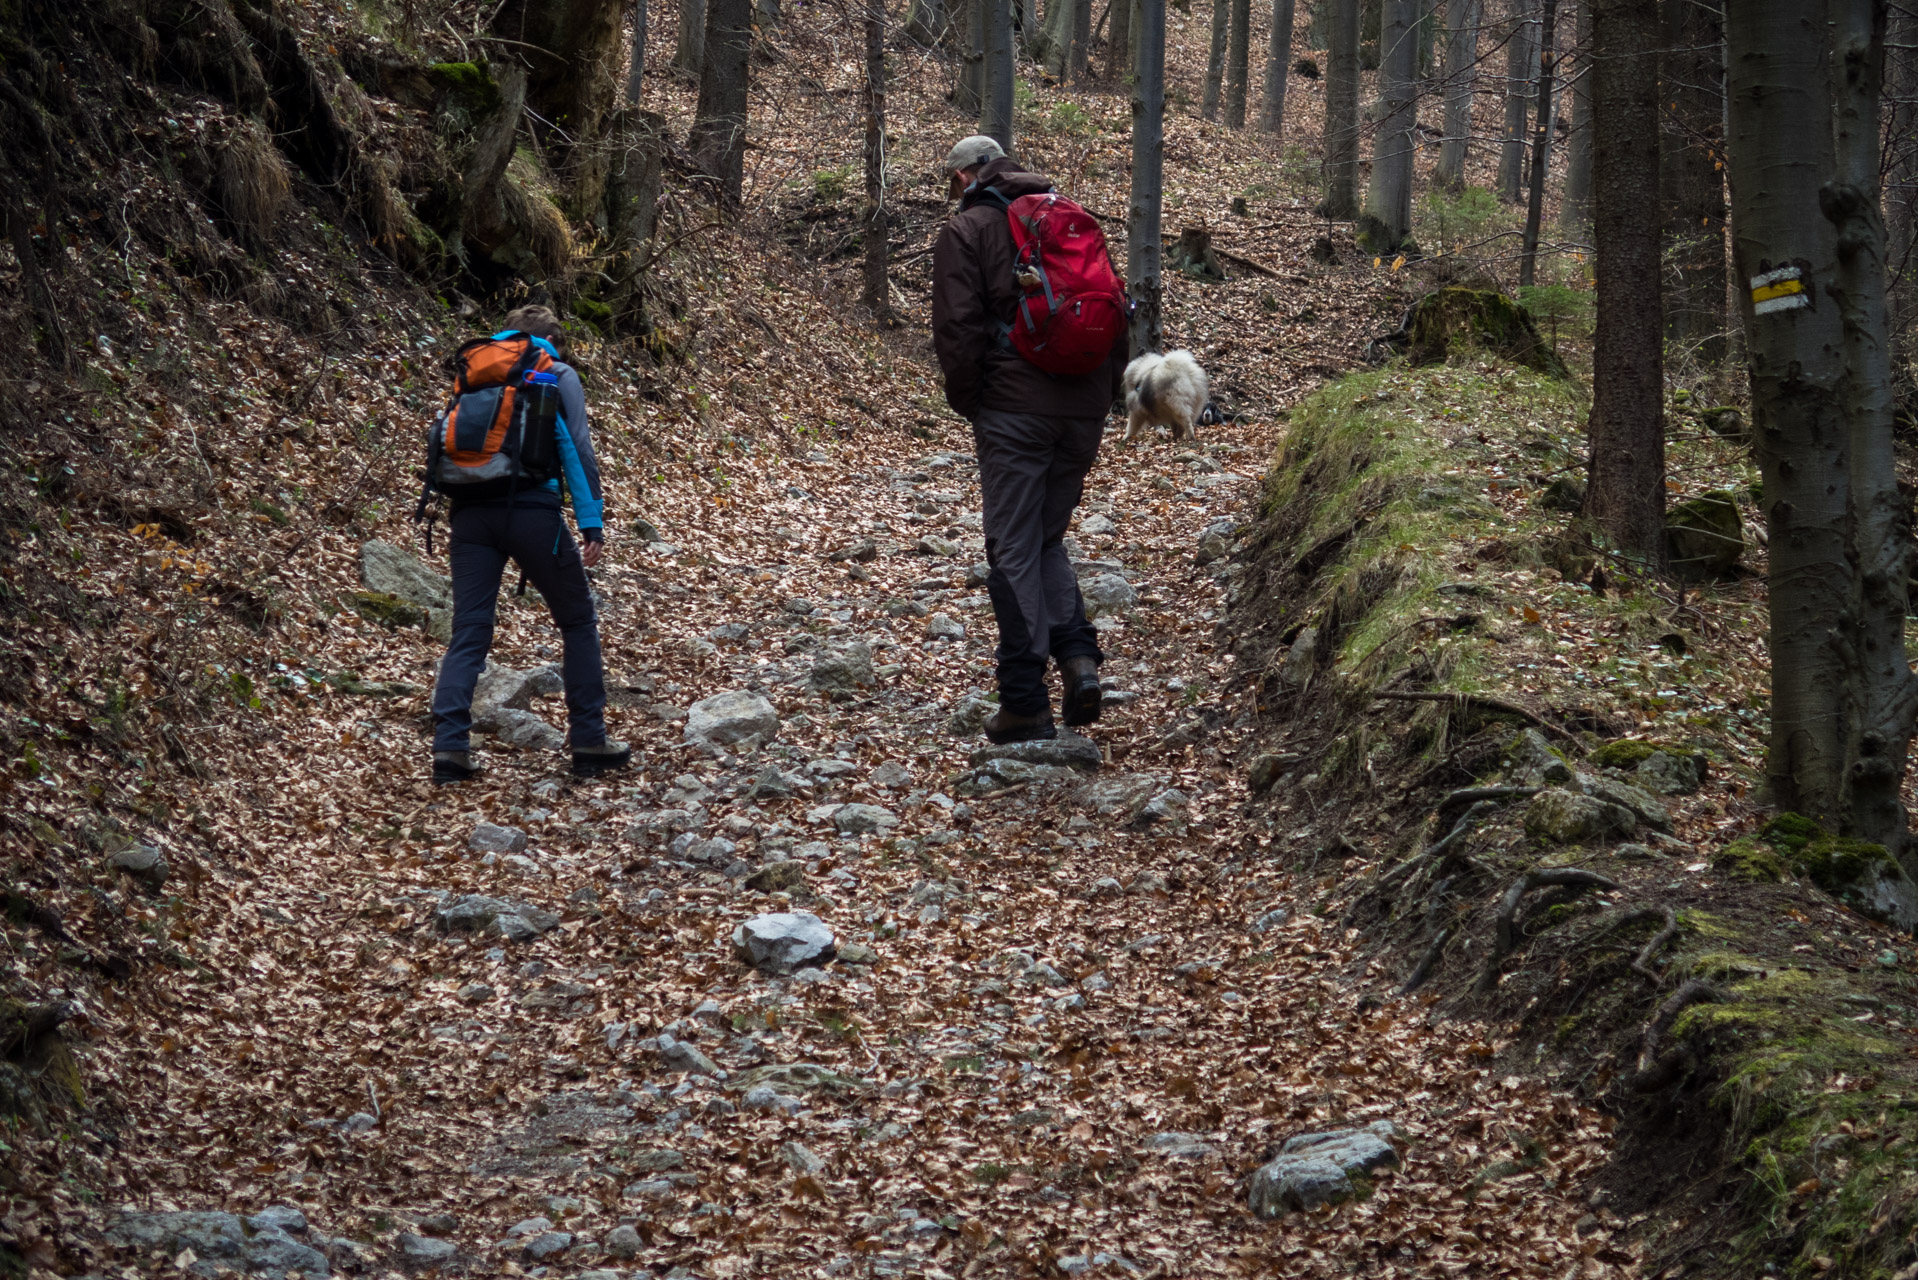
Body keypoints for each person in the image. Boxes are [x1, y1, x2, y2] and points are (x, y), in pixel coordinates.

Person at [931, 136, 1127, 744]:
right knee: (1045, 538)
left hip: (1015, 409)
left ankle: (1022, 700)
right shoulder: (1067, 216)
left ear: (964, 177)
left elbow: (957, 330)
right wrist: (1102, 397)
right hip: (1084, 406)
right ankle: (1078, 661)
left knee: (1012, 546)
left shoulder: (967, 232)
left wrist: (973, 401)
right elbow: (1115, 309)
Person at [428, 305, 631, 783]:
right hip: (533, 514)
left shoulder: (476, 375)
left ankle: (449, 748)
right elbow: (575, 447)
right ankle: (588, 739)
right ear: (551, 343)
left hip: (469, 516)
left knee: (470, 629)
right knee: (578, 619)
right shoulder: (553, 374)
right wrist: (591, 521)